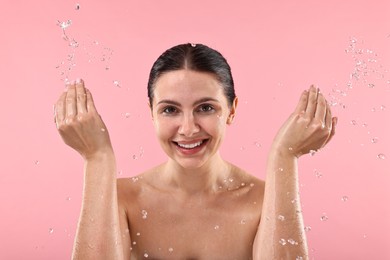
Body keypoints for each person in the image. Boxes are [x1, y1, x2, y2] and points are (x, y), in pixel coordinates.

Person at [54, 43, 336, 260]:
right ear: (151, 113)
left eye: (205, 108)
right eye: (170, 110)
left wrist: (284, 156)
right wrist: (97, 158)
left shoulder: (264, 201)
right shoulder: (122, 200)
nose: (188, 128)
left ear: (232, 110)